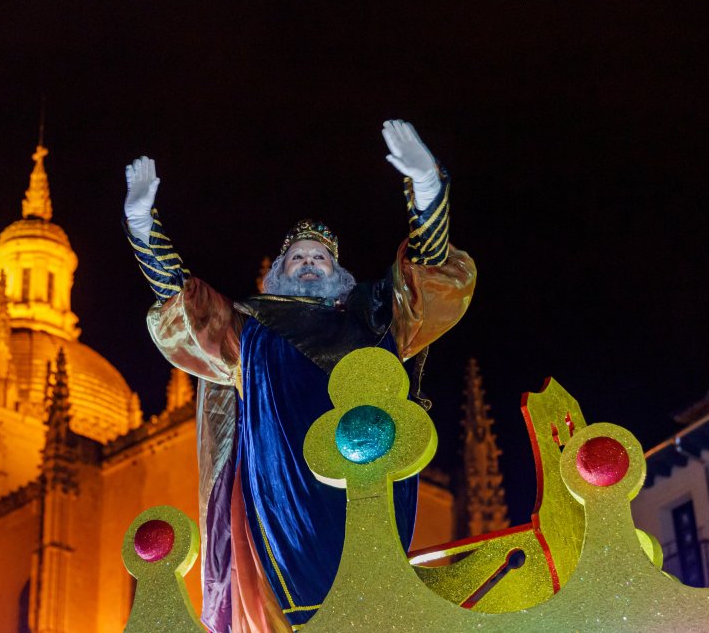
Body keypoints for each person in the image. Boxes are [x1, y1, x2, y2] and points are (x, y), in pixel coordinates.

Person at [123, 120, 476, 632]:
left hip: (367, 492)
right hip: (280, 500)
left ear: (338, 272)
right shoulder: (251, 329)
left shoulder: (373, 316)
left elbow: (428, 278)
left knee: (368, 596)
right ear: (278, 272)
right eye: (298, 257)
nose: (309, 262)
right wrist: (142, 226)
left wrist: (426, 190)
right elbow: (186, 304)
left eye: (320, 257)